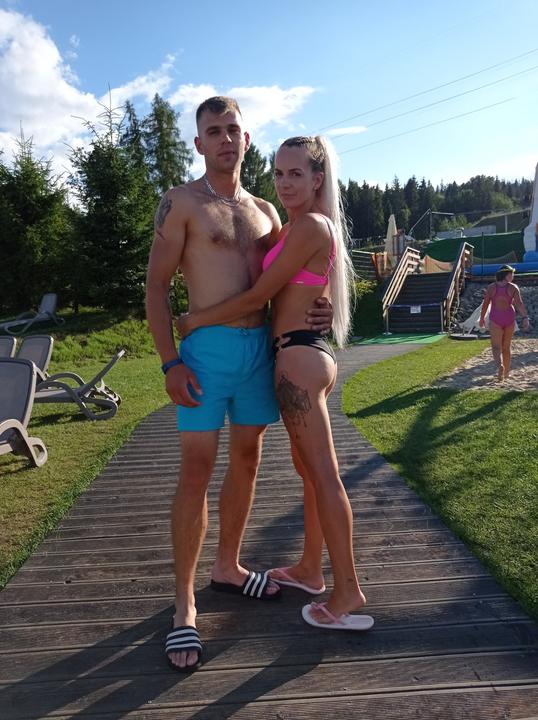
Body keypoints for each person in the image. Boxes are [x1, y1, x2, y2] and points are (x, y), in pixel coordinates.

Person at [145, 97, 333, 672]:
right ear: (199, 143)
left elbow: (288, 279)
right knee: (196, 470)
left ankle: (227, 566)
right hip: (205, 355)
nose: (225, 139)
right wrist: (170, 362)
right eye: (213, 131)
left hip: (258, 353)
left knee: (248, 461)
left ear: (247, 139)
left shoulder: (267, 213)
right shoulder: (181, 202)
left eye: (233, 129)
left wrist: (321, 307)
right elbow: (156, 288)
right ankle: (184, 605)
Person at [177, 135, 374, 633]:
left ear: (318, 179)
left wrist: (195, 320)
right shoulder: (296, 226)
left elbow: (258, 295)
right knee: (309, 472)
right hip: (299, 352)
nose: (285, 183)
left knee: (324, 475)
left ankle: (347, 590)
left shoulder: (310, 226)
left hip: (299, 360)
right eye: (279, 173)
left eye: (296, 174)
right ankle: (310, 569)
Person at [479, 264, 530, 380]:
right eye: (512, 274)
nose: (513, 276)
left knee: (496, 347)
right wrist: (525, 317)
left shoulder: (491, 287)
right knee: (506, 347)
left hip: (496, 318)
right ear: (506, 274)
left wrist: (482, 318)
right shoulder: (513, 287)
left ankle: (499, 366)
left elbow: (485, 304)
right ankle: (506, 373)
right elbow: (519, 304)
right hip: (509, 318)